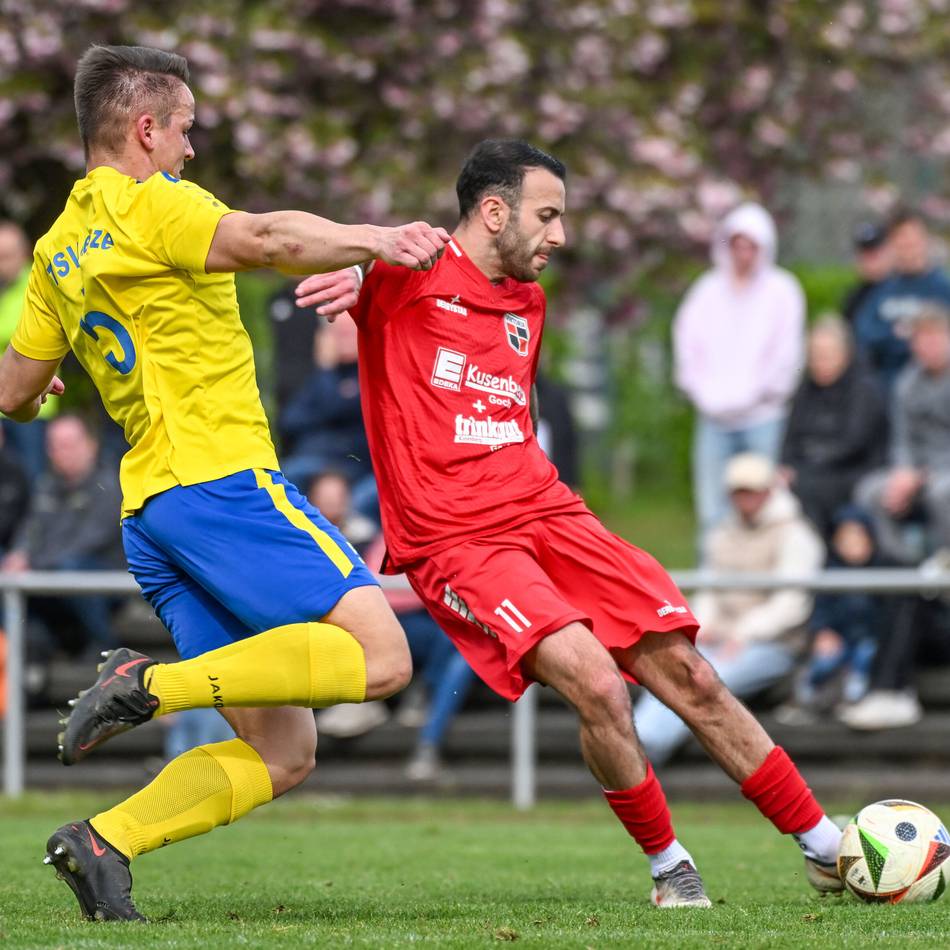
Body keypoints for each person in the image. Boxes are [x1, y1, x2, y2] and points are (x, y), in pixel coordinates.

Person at [296, 140, 845, 907]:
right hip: (459, 540)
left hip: (546, 512)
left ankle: (826, 846)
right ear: (494, 212)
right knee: (597, 684)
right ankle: (669, 866)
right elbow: (283, 248)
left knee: (692, 675)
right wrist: (357, 263)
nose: (560, 235)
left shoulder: (528, 298)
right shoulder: (402, 274)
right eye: (547, 215)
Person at [0, 44, 449, 922]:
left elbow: (14, 393)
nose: (190, 152)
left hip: (150, 513)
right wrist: (380, 239)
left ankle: (103, 845)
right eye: (184, 130)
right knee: (384, 656)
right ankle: (144, 683)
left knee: (284, 749)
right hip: (222, 485)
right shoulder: (156, 204)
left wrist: (45, 389)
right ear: (144, 129)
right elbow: (269, 237)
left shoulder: (57, 248)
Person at [632, 453, 824, 764]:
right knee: (673, 664)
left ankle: (646, 748)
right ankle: (637, 741)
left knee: (704, 678)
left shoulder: (796, 533)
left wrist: (743, 633)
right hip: (722, 637)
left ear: (768, 490)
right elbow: (710, 589)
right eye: (738, 491)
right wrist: (701, 627)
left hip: (774, 641)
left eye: (751, 490)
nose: (744, 498)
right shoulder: (721, 532)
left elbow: (792, 604)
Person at [672, 202, 806, 548]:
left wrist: (757, 394)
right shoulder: (707, 291)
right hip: (714, 420)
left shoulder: (782, 291)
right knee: (713, 511)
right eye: (737, 244)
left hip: (763, 417)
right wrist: (702, 393)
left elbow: (786, 355)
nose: (743, 254)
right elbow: (687, 345)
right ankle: (713, 591)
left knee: (767, 506)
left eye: (751, 245)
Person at [2, 414, 124, 702]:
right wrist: (20, 555)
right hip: (52, 584)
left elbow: (85, 544)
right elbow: (30, 531)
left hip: (103, 585)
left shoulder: (109, 486)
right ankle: (30, 655)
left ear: (91, 445)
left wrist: (32, 564)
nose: (61, 452)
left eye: (69, 444)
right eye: (55, 445)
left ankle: (105, 647)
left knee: (70, 567)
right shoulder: (47, 486)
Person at [775, 505, 889, 724]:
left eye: (858, 538)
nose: (852, 545)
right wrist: (823, 631)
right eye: (845, 539)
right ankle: (806, 696)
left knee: (865, 656)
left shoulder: (881, 574)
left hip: (867, 640)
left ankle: (855, 698)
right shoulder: (828, 575)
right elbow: (820, 609)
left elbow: (886, 617)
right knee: (825, 661)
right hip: (838, 638)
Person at [855, 304, 950, 565]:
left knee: (943, 493)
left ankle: (945, 569)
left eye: (935, 337)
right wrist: (903, 472)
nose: (929, 345)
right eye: (922, 338)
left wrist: (921, 475)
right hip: (918, 472)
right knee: (871, 491)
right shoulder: (907, 383)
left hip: (940, 473)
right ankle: (905, 567)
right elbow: (902, 439)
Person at [779, 315, 887, 539]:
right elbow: (789, 441)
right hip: (812, 470)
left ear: (845, 354)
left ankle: (819, 558)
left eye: (827, 355)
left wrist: (807, 464)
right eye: (816, 355)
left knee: (809, 490)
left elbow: (853, 443)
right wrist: (787, 466)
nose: (821, 362)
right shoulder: (805, 391)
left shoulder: (863, 389)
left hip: (855, 471)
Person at [853, 208, 950, 396]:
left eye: (913, 243)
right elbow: (864, 335)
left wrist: (908, 337)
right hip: (885, 390)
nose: (908, 250)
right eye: (902, 244)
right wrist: (899, 335)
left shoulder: (942, 289)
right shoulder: (882, 290)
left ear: (925, 241)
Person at [0, 220, 55, 477]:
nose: (1, 264)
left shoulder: (38, 282)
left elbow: (22, 336)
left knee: (32, 480)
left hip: (33, 402)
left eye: (6, 256)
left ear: (23, 254)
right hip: (5, 399)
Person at [840, 221, 891, 325]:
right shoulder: (854, 299)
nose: (870, 261)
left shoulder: (903, 288)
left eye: (875, 253)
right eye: (865, 254)